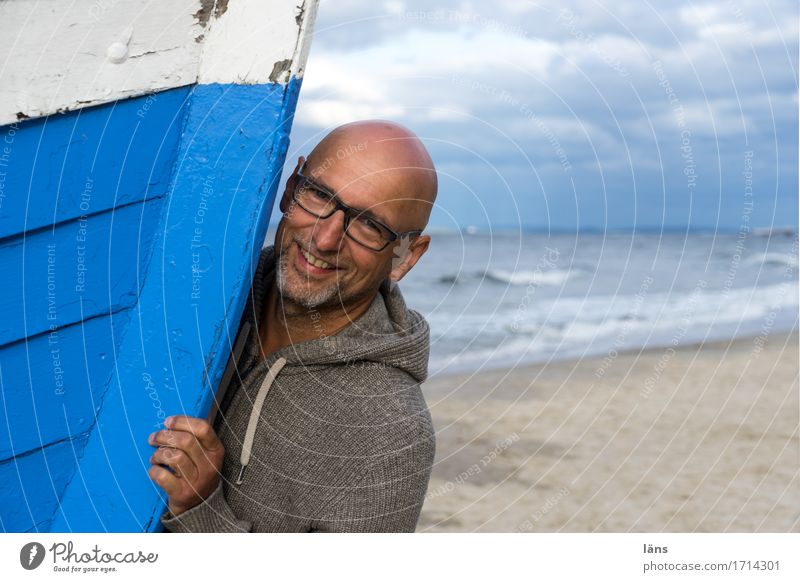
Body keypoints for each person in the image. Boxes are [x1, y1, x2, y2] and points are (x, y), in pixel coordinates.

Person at [147, 120, 438, 532]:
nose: (324, 239)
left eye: (370, 225)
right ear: (289, 190)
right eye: (319, 195)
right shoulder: (202, 295)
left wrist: (202, 510)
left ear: (405, 257)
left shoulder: (392, 434)